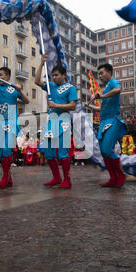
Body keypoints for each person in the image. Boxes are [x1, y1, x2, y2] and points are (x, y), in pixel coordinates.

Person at [35, 54, 78, 189]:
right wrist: (41, 64)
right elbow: (36, 81)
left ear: (64, 75)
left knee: (63, 153)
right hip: (51, 122)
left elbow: (72, 106)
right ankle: (56, 178)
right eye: (52, 75)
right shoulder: (51, 86)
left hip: (64, 122)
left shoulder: (71, 88)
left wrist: (56, 105)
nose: (54, 77)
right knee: (48, 152)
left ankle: (67, 180)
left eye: (57, 75)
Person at [85, 64, 127, 187]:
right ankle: (113, 177)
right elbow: (102, 109)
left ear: (109, 72)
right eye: (98, 74)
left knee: (107, 149)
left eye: (102, 73)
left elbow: (118, 90)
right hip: (104, 122)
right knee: (104, 152)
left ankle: (121, 174)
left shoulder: (113, 82)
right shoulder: (106, 88)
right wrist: (89, 106)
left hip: (113, 120)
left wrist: (102, 96)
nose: (100, 76)